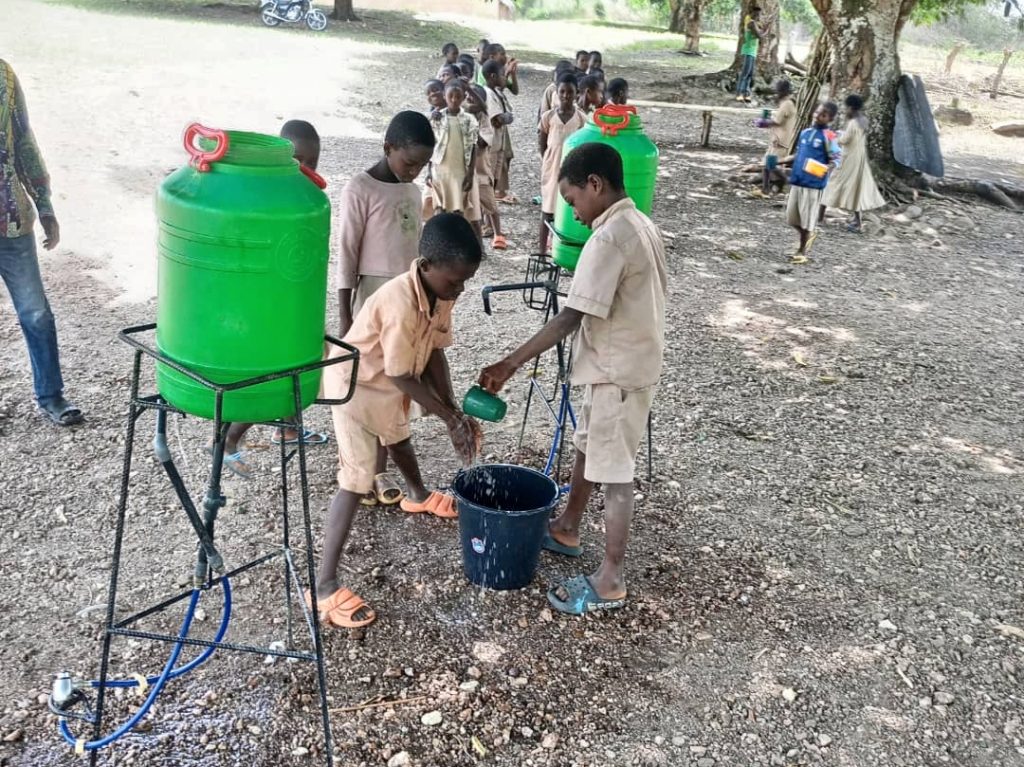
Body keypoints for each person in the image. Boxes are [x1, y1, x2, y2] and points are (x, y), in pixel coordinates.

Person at [479, 143, 667, 616]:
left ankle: (610, 579)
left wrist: (509, 363)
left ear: (596, 185)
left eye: (574, 198)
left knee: (615, 472)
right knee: (589, 445)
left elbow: (570, 318)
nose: (573, 211)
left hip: (617, 373)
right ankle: (568, 525)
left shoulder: (609, 239)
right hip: (619, 365)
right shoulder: (638, 223)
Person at [315, 214, 483, 629]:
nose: (458, 290)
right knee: (357, 477)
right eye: (453, 282)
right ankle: (322, 586)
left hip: (389, 385)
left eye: (464, 283)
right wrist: (448, 419)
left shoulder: (441, 291)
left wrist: (454, 410)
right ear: (425, 265)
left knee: (398, 437)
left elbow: (436, 352)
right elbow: (402, 374)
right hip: (354, 385)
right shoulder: (399, 303)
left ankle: (417, 494)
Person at [217, 120, 332, 477]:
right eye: (299, 160)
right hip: (265, 311)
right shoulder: (266, 197)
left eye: (312, 162)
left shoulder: (303, 201)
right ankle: (227, 441)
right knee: (271, 378)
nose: (306, 169)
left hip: (291, 306)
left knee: (295, 368)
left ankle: (288, 427)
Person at [332, 111, 436, 502]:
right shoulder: (361, 188)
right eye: (409, 163)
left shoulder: (412, 192)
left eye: (422, 166)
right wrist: (346, 316)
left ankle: (380, 467)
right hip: (372, 299)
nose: (414, 172)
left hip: (408, 298)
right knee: (371, 384)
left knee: (398, 385)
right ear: (387, 148)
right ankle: (368, 471)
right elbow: (347, 254)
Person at [0, 59, 83, 427]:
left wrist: (44, 204)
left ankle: (51, 396)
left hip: (11, 222)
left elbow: (24, 142)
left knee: (36, 313)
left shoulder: (3, 76)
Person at [819, 94, 886, 233]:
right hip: (859, 159)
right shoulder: (863, 121)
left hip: (848, 159)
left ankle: (819, 217)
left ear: (851, 108)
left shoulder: (853, 123)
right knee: (856, 189)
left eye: (846, 108)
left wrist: (834, 136)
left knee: (832, 183)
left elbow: (845, 140)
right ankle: (858, 222)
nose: (845, 111)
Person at [785, 102, 842, 263]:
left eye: (823, 115)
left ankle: (802, 249)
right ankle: (805, 236)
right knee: (791, 217)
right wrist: (780, 161)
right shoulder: (805, 133)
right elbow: (798, 155)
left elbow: (837, 158)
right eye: (817, 112)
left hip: (813, 183)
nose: (817, 116)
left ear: (830, 119)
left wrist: (826, 168)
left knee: (807, 218)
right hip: (798, 180)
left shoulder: (829, 136)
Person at [538, 74, 586, 253]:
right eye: (562, 92)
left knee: (566, 212)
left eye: (570, 92)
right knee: (547, 209)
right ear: (556, 93)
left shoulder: (581, 119)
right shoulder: (548, 117)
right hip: (552, 169)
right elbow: (542, 142)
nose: (566, 96)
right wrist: (547, 160)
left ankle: (561, 249)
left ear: (577, 93)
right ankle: (542, 252)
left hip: (571, 170)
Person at [429, 80, 478, 217]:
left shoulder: (469, 120)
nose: (454, 100)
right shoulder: (437, 118)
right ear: (444, 96)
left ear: (463, 98)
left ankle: (455, 237)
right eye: (450, 96)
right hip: (440, 169)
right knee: (439, 207)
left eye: (458, 97)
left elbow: (474, 147)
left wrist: (470, 173)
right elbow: (431, 145)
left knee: (458, 208)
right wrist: (429, 171)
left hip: (460, 170)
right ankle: (440, 237)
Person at [482, 60, 514, 247]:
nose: (505, 79)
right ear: (493, 76)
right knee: (488, 183)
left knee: (492, 182)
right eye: (503, 75)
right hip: (491, 145)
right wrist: (507, 118)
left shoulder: (498, 93)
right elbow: (497, 119)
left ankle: (487, 223)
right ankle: (490, 226)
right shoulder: (488, 94)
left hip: (498, 144)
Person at [754, 78, 797, 196]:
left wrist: (763, 122)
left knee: (769, 164)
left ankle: (786, 181)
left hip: (780, 140)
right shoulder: (787, 103)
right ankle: (769, 187)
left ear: (782, 91)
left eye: (777, 91)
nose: (776, 93)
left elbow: (778, 121)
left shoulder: (786, 104)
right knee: (768, 164)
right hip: (779, 138)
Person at [735, 5, 763, 103]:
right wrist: (764, 31)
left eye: (759, 14)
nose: (759, 16)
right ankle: (739, 93)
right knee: (745, 74)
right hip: (748, 51)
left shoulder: (755, 23)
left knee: (750, 74)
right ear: (753, 13)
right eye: (757, 14)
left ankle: (746, 94)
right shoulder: (751, 23)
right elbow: (760, 36)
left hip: (752, 52)